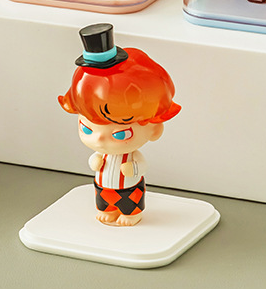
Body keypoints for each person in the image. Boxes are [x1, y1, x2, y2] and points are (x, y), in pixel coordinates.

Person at [59, 23, 180, 225]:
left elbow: (141, 166)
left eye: (120, 134)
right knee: (104, 203)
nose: (99, 138)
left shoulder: (132, 155)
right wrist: (95, 161)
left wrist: (133, 168)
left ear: (155, 129)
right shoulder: (102, 152)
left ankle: (131, 214)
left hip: (129, 190)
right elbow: (95, 161)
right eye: (87, 128)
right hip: (103, 188)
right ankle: (108, 211)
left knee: (129, 204)